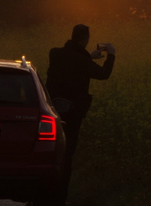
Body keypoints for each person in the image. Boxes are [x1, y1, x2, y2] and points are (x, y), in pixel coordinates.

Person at [45, 24, 114, 179]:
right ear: (85, 39)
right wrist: (111, 55)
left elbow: (71, 62)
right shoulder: (84, 62)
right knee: (67, 154)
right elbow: (104, 74)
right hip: (72, 114)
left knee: (48, 150)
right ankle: (60, 193)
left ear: (72, 36)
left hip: (51, 110)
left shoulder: (54, 54)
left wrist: (88, 56)